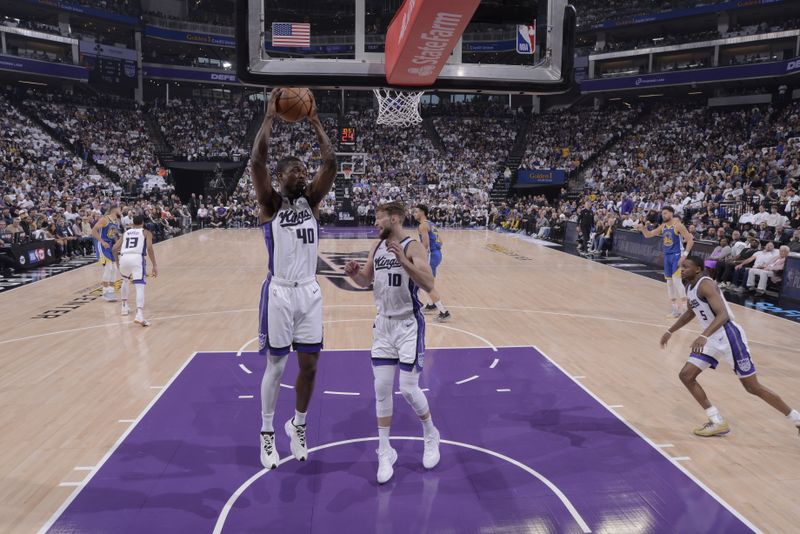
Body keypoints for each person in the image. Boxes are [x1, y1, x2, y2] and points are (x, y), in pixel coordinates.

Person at [251, 88, 336, 470]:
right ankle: (267, 434)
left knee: (311, 366)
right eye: (294, 171)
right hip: (281, 292)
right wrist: (270, 116)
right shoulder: (270, 205)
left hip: (311, 292)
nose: (302, 174)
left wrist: (315, 120)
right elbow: (257, 161)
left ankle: (297, 425)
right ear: (279, 178)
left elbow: (330, 163)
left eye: (304, 170)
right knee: (277, 366)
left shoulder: (311, 201)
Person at [345, 201, 441, 483]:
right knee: (381, 388)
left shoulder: (412, 246)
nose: (375, 224)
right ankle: (385, 451)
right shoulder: (376, 247)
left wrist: (403, 261)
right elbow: (366, 280)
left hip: (409, 324)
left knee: (409, 390)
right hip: (384, 325)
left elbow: (428, 282)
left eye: (379, 219)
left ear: (395, 219)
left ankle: (430, 434)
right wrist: (355, 274)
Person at [660, 255, 800, 437]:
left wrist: (703, 335)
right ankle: (717, 421)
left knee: (752, 387)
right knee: (686, 375)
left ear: (697, 269)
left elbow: (723, 314)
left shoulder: (705, 284)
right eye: (682, 266)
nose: (683, 269)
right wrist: (670, 331)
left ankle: (796, 418)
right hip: (712, 337)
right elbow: (690, 312)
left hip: (729, 335)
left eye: (686, 266)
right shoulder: (689, 285)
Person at [638, 206, 695, 317]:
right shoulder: (663, 226)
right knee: (669, 283)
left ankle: (685, 308)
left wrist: (685, 255)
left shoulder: (678, 225)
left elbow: (690, 240)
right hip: (667, 256)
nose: (663, 215)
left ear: (671, 213)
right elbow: (649, 235)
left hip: (677, 255)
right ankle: (675, 309)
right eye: (662, 213)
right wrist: (643, 229)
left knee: (677, 281)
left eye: (665, 213)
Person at [113, 214, 158, 326]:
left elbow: (114, 249)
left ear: (133, 223)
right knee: (139, 286)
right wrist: (154, 265)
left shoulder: (126, 233)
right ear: (143, 223)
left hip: (124, 258)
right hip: (137, 258)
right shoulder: (146, 232)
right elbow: (149, 247)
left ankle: (124, 307)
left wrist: (117, 262)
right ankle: (139, 315)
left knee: (125, 281)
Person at [413, 204, 450, 322]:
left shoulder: (422, 225)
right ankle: (430, 304)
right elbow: (441, 241)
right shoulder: (430, 223)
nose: (414, 214)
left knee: (426, 284)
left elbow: (425, 244)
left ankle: (444, 312)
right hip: (436, 254)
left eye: (416, 211)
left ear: (422, 212)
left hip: (430, 255)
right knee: (426, 282)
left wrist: (420, 256)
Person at [91, 205, 122, 302]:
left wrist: (117, 245)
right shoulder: (105, 219)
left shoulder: (116, 221)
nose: (121, 211)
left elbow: (113, 235)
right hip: (102, 245)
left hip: (110, 246)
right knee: (108, 268)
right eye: (119, 209)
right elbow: (93, 231)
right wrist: (102, 242)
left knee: (114, 269)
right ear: (114, 210)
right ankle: (105, 293)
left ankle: (111, 292)